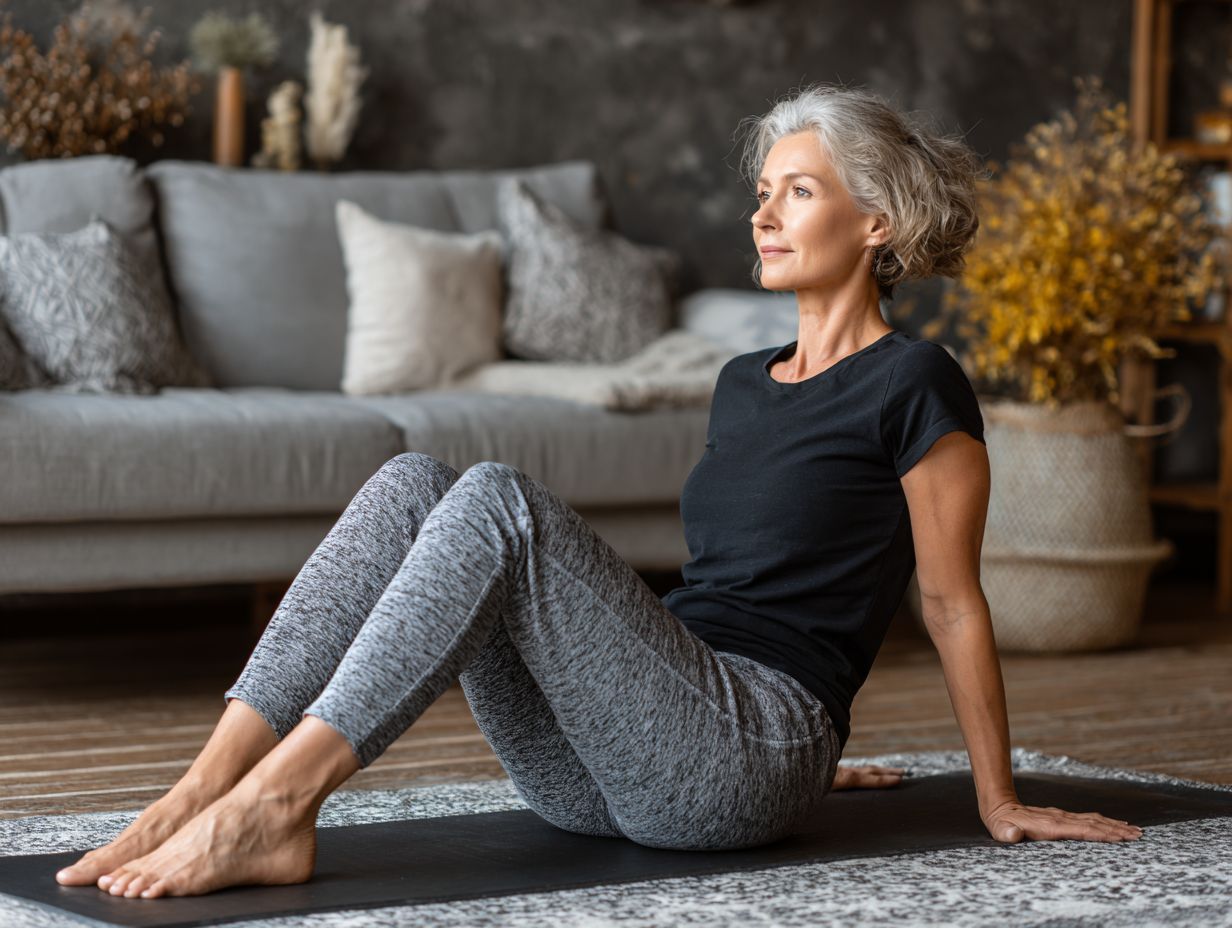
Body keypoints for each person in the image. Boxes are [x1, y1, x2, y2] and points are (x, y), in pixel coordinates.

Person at [55, 85, 1141, 900]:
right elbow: (730, 590)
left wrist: (986, 797)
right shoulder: (735, 381)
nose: (762, 214)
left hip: (743, 753)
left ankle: (279, 803)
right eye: (760, 194)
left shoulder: (915, 383)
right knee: (409, 482)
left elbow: (948, 600)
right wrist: (726, 732)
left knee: (493, 497)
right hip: (610, 768)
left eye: (796, 192)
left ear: (875, 224)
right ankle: (206, 786)